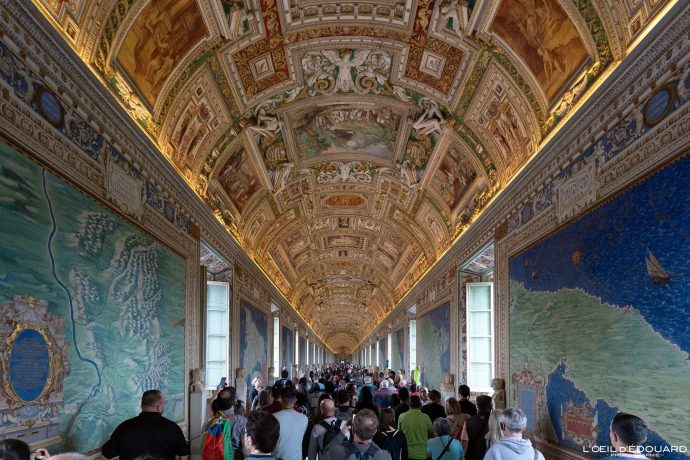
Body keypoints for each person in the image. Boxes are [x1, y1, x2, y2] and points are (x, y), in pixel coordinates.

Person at [102, 390, 190, 460]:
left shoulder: (124, 427)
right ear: (158, 406)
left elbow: (105, 455)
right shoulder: (172, 428)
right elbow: (184, 455)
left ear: (141, 406)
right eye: (163, 403)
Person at [320, 409, 391, 460]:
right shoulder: (384, 456)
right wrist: (369, 434)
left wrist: (341, 434)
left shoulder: (337, 452)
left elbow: (325, 453)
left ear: (353, 430)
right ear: (375, 432)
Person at [273, 387, 308, 460]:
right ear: (295, 400)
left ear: (280, 399)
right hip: (297, 457)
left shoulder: (273, 417)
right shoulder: (304, 418)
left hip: (277, 457)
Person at [397, 396, 433, 460]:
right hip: (423, 454)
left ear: (409, 403)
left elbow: (399, 434)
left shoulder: (402, 416)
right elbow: (431, 434)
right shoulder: (426, 417)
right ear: (420, 404)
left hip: (407, 453)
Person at [460, 395, 491, 460]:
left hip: (473, 456)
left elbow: (464, 442)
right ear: (490, 406)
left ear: (477, 406)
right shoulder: (495, 421)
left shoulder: (468, 422)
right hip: (489, 455)